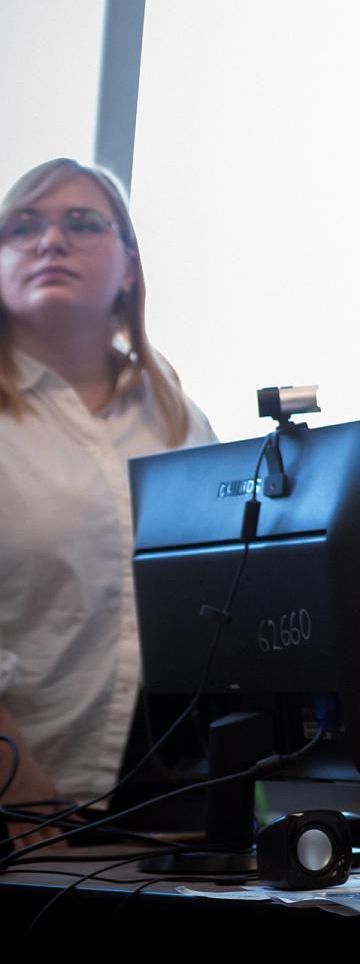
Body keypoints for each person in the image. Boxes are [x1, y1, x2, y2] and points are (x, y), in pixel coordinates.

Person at [0, 158, 216, 840]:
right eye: (22, 226)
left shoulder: (178, 420)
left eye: (82, 223)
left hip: (165, 789)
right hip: (18, 788)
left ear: (129, 267)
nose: (50, 241)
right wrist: (14, 777)